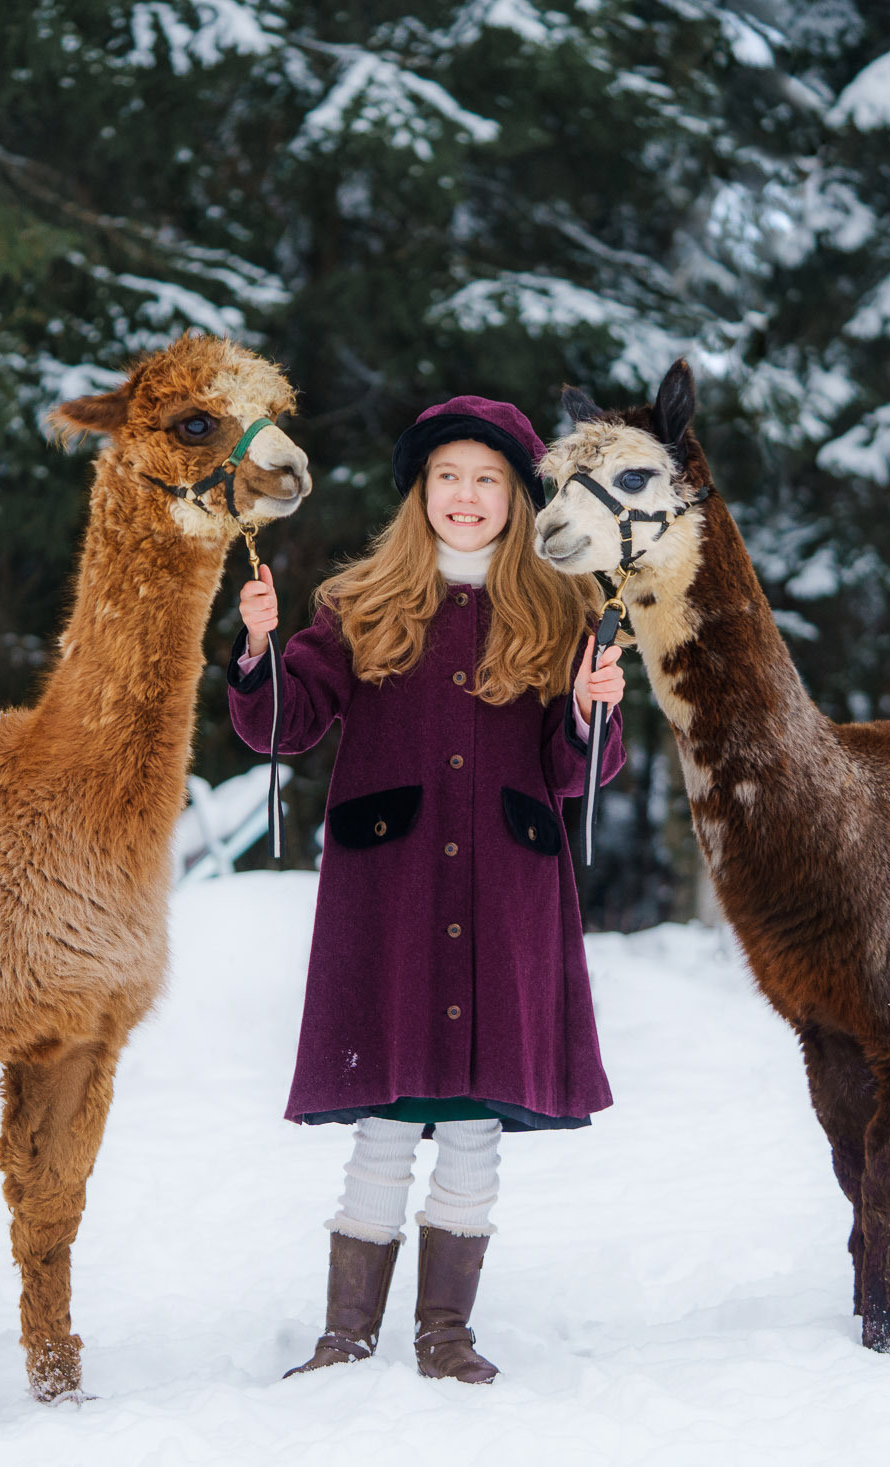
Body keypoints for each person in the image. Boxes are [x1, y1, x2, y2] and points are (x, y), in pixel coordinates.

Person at [227, 395, 626, 1384]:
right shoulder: (357, 603)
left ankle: (444, 1332)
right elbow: (285, 723)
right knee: (388, 1109)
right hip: (390, 889)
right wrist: (256, 653)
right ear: (421, 492)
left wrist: (590, 710)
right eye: (448, 476)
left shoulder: (558, 609)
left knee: (475, 1113)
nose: (466, 495)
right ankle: (345, 1333)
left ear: (515, 500)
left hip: (505, 888)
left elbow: (576, 770)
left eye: (487, 480)